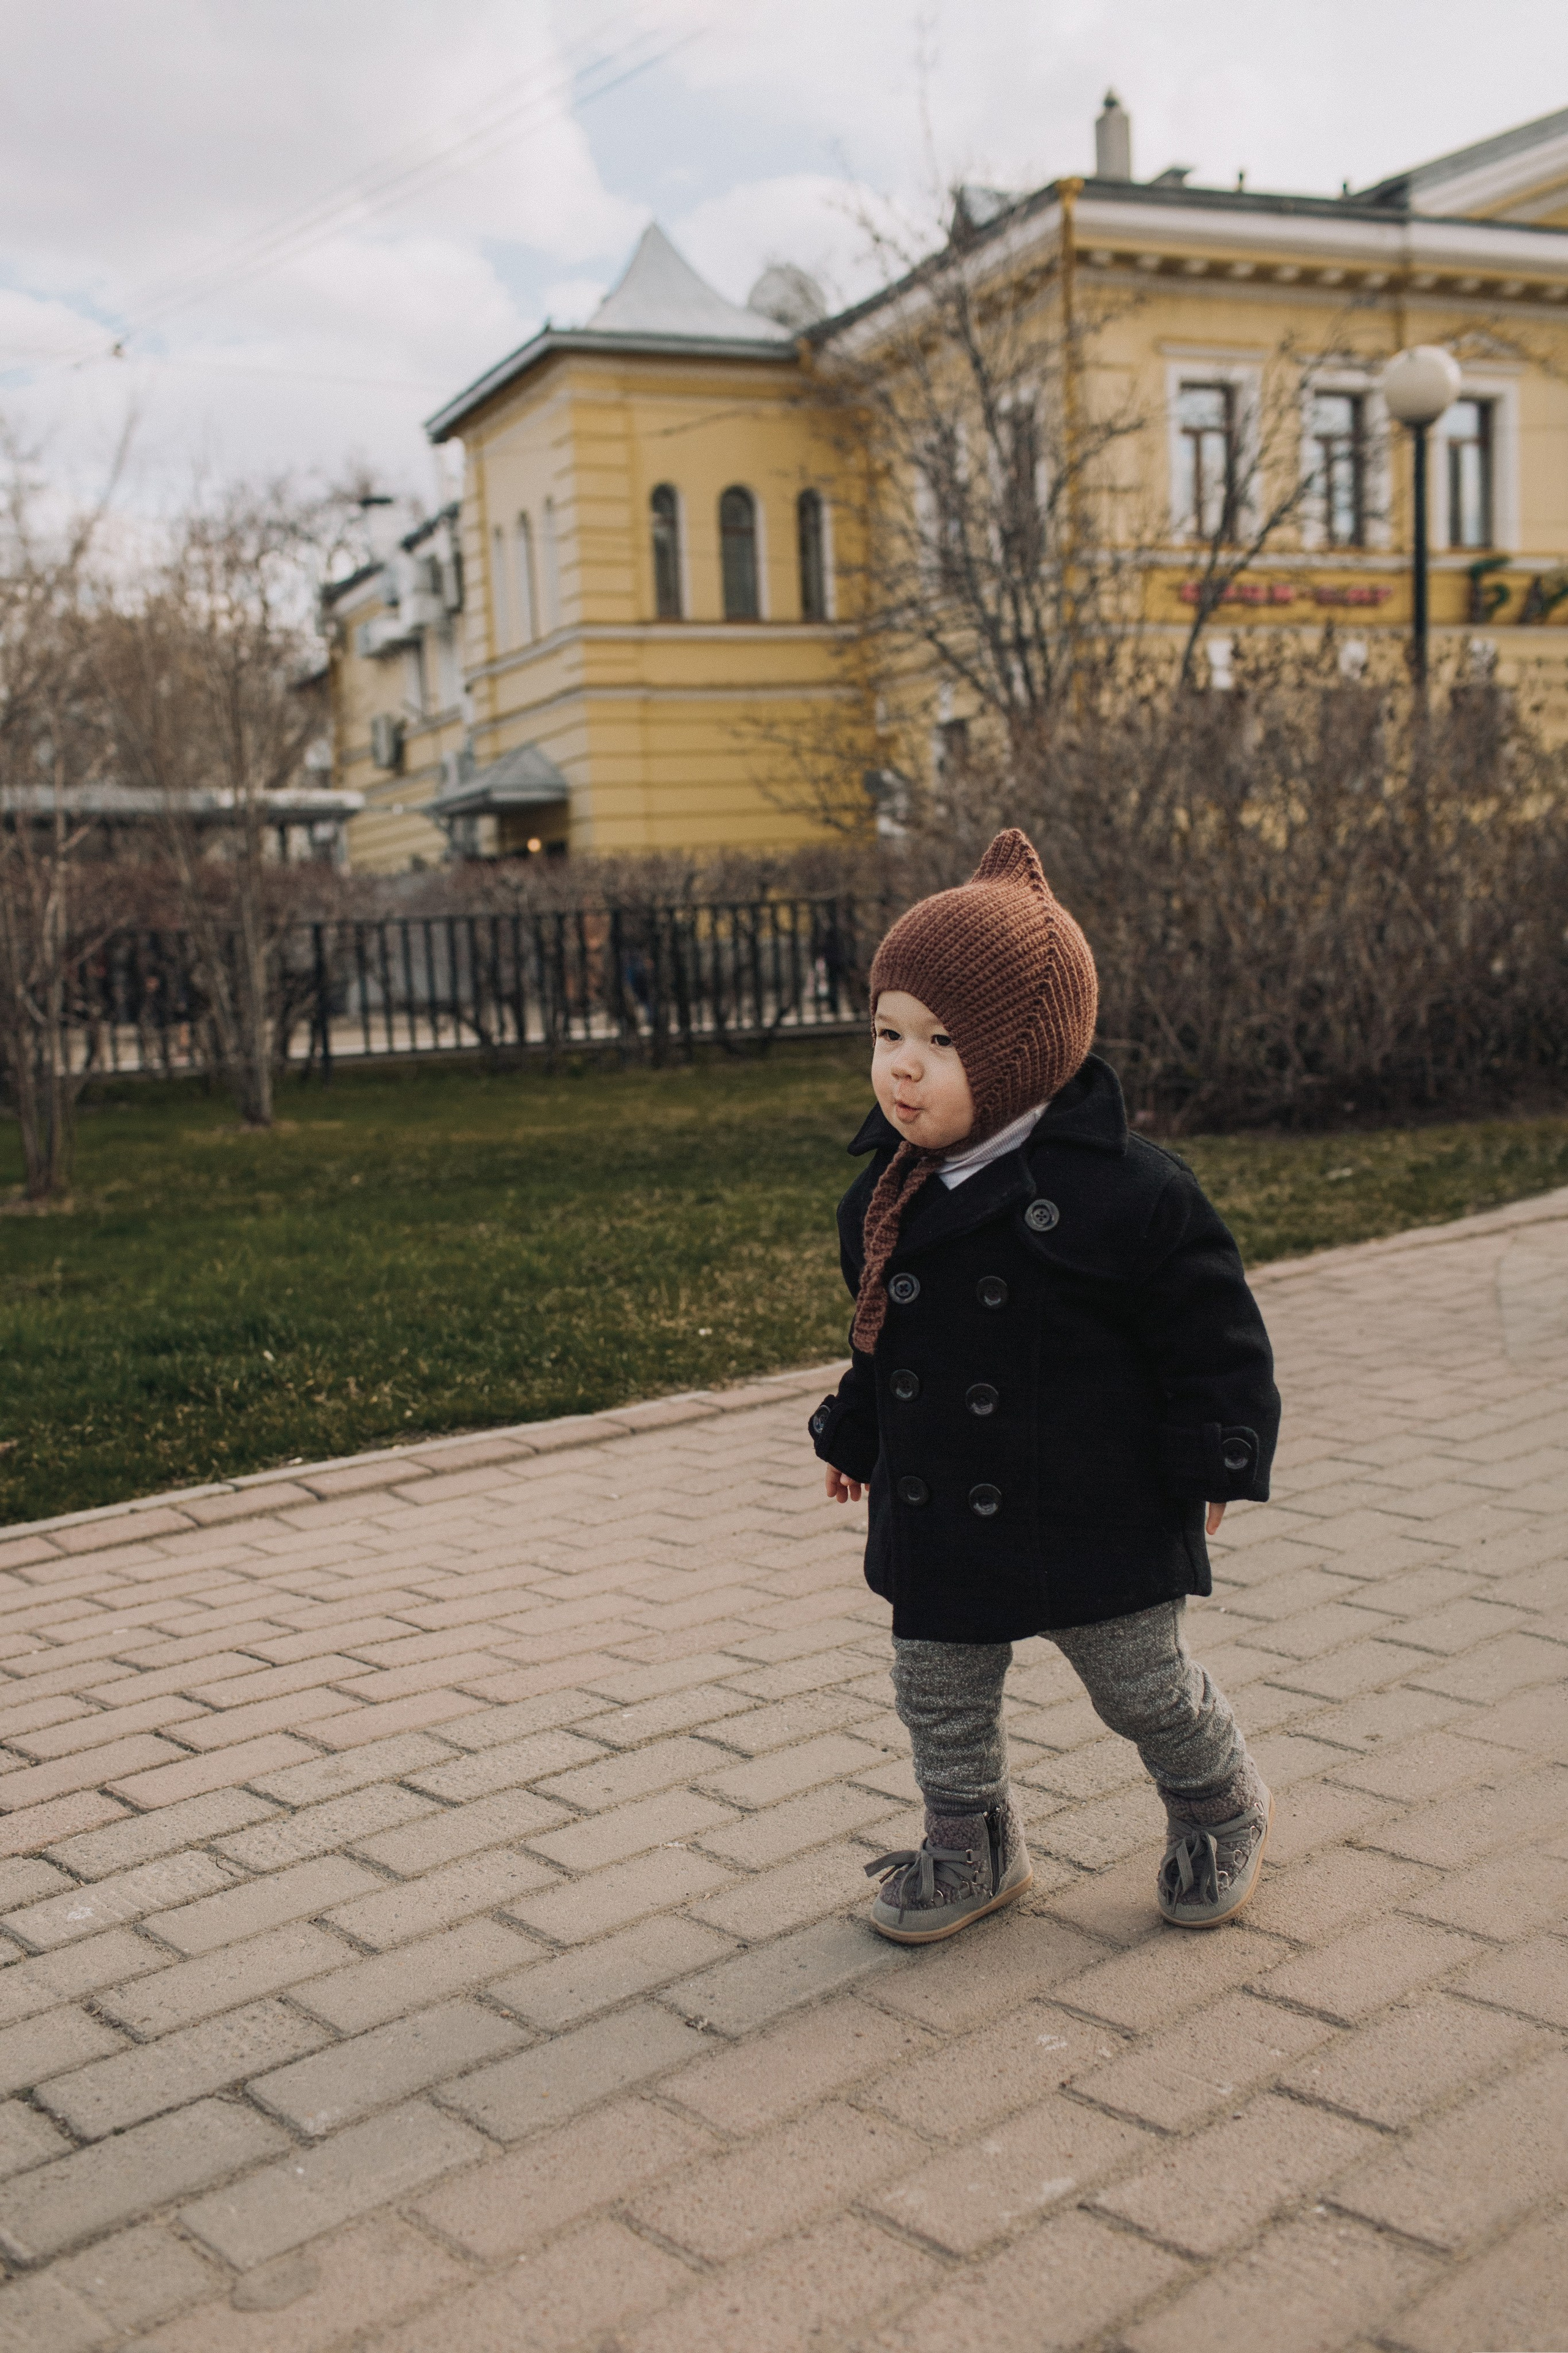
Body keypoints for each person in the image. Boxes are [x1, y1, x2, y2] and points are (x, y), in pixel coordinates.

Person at [808, 828, 1280, 1944]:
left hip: (1091, 1500)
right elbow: (889, 1342)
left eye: (940, 1040)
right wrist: (856, 1427)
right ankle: (972, 1843)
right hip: (943, 1507)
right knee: (937, 1687)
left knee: (1141, 1682)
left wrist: (1215, 1451)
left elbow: (1216, 1338)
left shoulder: (1131, 1193)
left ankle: (1221, 1802)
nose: (901, 1066)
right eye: (888, 1033)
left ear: (1024, 1055)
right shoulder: (887, 1197)